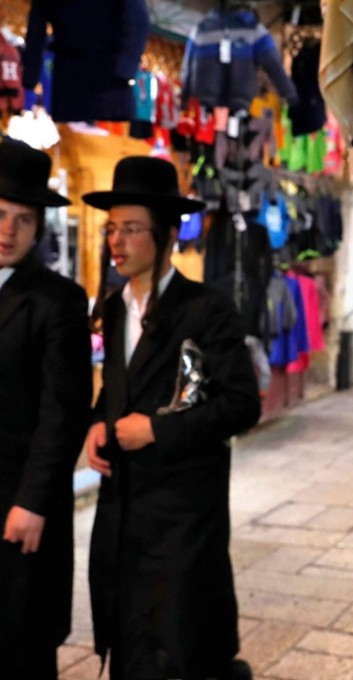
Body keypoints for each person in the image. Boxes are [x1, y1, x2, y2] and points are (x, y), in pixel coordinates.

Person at [83, 156, 261, 680]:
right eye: (111, 228)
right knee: (129, 642)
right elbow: (118, 386)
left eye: (131, 229)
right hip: (122, 513)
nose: (117, 241)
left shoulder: (207, 309)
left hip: (184, 516)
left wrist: (157, 430)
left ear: (166, 234)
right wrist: (99, 419)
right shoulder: (114, 307)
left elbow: (242, 404)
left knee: (179, 648)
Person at [0, 138, 91, 678]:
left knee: (19, 645)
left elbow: (64, 410)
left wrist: (33, 502)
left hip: (19, 506)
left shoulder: (57, 300)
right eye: (1, 215)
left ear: (39, 229)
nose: (8, 230)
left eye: (23, 220)